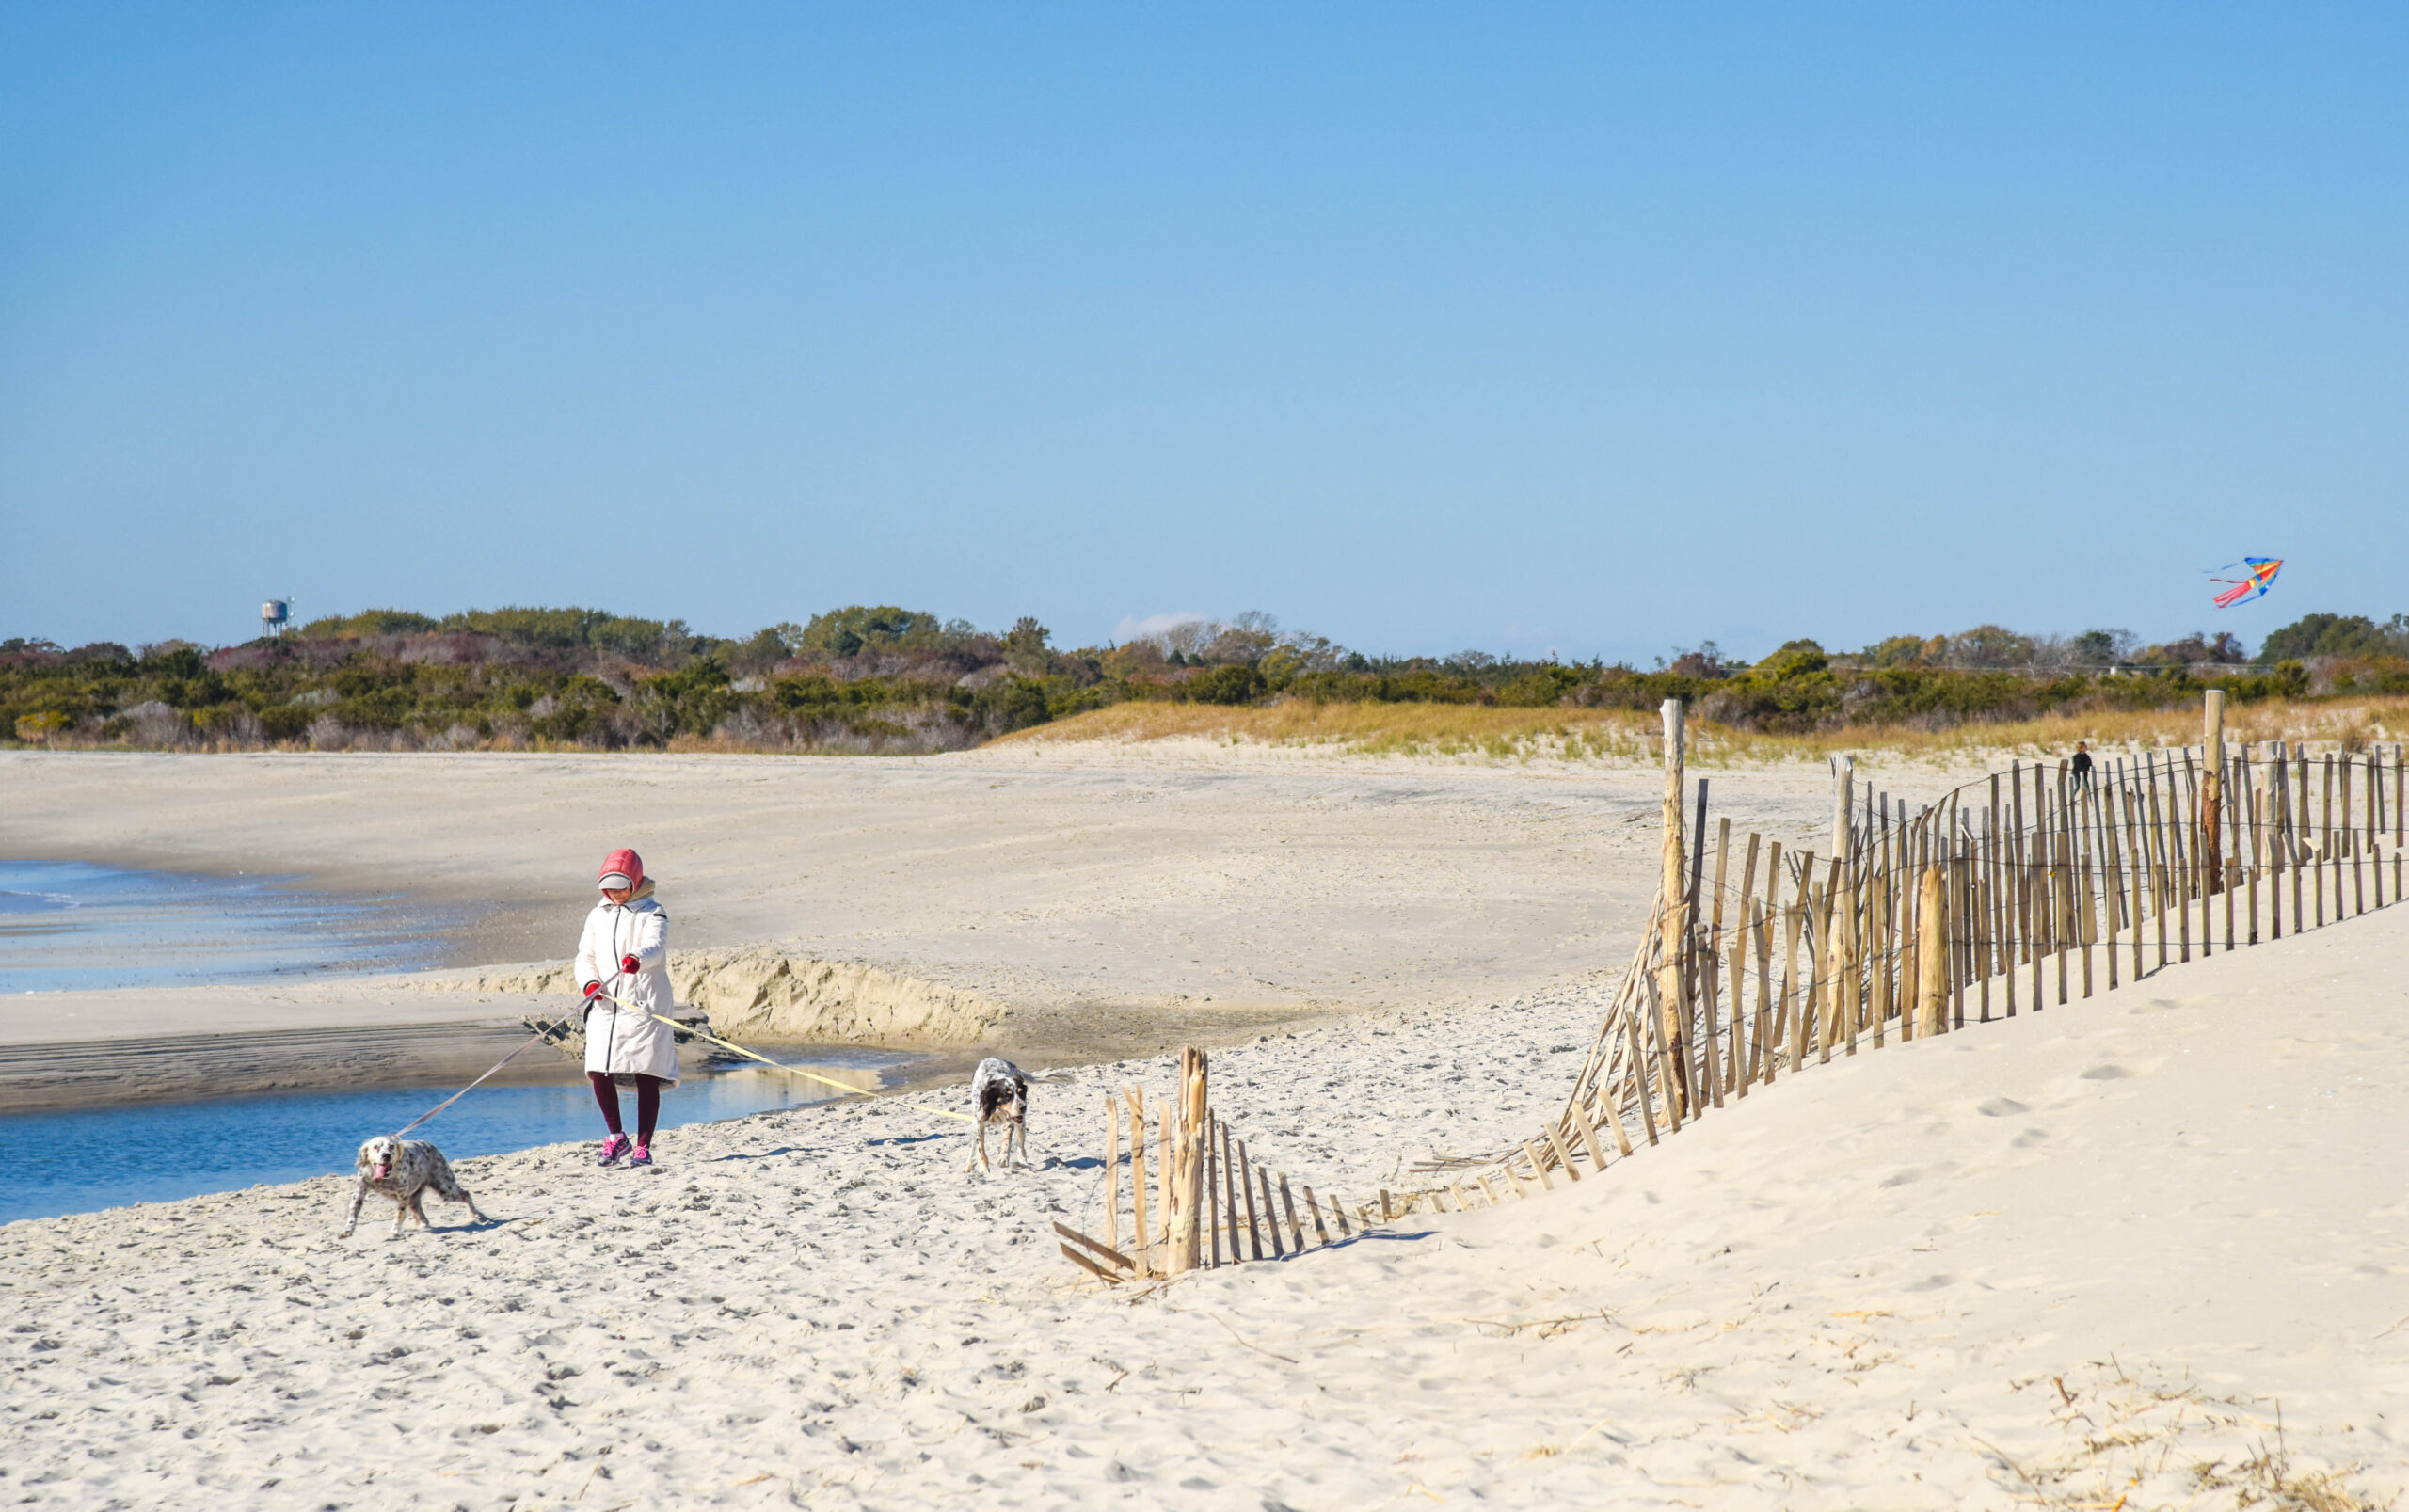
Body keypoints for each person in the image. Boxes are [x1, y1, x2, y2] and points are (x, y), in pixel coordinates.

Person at [576, 847, 678, 1167]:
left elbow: (655, 947)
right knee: (598, 1068)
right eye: (610, 888)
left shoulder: (653, 911)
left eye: (621, 887)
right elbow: (585, 956)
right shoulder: (597, 915)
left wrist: (637, 960)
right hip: (606, 1004)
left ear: (635, 883)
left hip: (643, 1004)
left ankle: (644, 1145)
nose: (616, 894)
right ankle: (616, 1138)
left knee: (647, 1072)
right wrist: (590, 984)